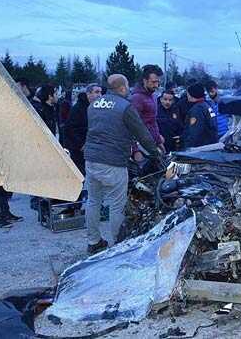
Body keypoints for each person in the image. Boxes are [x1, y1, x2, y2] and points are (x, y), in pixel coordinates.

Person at [83, 74, 164, 255]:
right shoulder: (125, 107)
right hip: (113, 161)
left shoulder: (94, 105)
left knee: (93, 201)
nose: (128, 90)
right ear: (122, 88)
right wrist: (155, 152)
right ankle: (119, 247)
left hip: (91, 159)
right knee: (116, 205)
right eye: (127, 86)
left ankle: (93, 241)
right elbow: (142, 134)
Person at [63, 84, 101, 175]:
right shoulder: (78, 108)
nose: (100, 95)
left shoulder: (95, 107)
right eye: (96, 92)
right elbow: (69, 128)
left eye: (100, 92)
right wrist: (81, 144)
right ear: (88, 93)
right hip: (80, 151)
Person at [130, 64, 165, 160]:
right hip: (140, 146)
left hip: (151, 144)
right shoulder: (136, 98)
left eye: (158, 82)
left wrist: (158, 141)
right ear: (145, 81)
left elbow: (153, 121)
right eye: (153, 82)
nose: (156, 85)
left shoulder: (153, 96)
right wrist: (135, 150)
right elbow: (131, 125)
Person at [180, 83, 218, 149]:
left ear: (191, 95)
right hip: (210, 144)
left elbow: (194, 132)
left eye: (188, 93)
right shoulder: (206, 105)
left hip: (200, 148)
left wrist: (187, 149)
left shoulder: (197, 110)